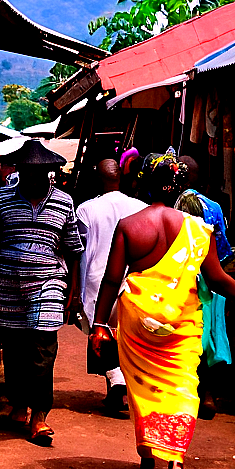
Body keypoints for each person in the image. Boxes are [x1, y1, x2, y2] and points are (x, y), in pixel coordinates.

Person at [89, 151, 235, 469]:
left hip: (139, 322)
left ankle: (147, 457)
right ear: (177, 186)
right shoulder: (197, 229)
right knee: (183, 388)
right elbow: (216, 278)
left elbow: (112, 280)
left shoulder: (129, 226)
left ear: (142, 183)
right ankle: (174, 462)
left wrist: (100, 324)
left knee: (142, 388)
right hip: (181, 324)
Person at [0, 139, 83, 444]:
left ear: (50, 173)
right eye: (28, 171)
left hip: (48, 283)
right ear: (20, 170)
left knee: (43, 348)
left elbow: (73, 250)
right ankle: (18, 403)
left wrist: (75, 292)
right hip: (8, 284)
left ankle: (40, 416)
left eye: (40, 172)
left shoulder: (64, 202)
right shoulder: (0, 200)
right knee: (14, 348)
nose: (33, 177)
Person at [74, 159, 146, 412]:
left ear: (99, 179)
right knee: (125, 336)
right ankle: (120, 389)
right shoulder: (140, 207)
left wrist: (74, 291)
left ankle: (116, 382)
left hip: (96, 279)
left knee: (101, 333)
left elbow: (78, 250)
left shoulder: (86, 209)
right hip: (132, 281)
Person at [176, 155, 234, 419]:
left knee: (184, 336)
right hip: (212, 279)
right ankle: (208, 394)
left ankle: (186, 394)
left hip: (179, 280)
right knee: (209, 337)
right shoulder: (214, 207)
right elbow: (222, 251)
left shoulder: (170, 206)